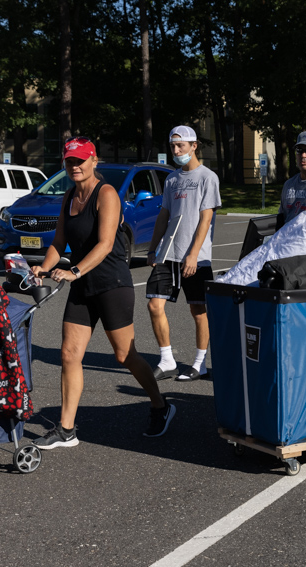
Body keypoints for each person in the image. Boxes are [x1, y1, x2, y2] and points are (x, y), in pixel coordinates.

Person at [30, 137, 176, 448]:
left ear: (94, 160)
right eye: (70, 161)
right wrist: (43, 267)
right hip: (83, 286)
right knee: (69, 354)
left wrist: (74, 271)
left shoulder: (106, 193)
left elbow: (106, 244)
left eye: (81, 160)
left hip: (112, 284)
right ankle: (66, 430)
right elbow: (58, 241)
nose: (75, 166)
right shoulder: (69, 195)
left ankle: (161, 406)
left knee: (125, 355)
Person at [146, 126, 221, 382]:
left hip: (195, 257)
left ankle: (199, 364)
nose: (176, 151)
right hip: (168, 253)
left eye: (181, 146)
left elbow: (206, 218)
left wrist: (193, 254)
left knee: (199, 311)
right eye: (173, 146)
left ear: (194, 146)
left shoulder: (207, 177)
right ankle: (167, 360)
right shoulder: (172, 179)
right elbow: (164, 215)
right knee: (154, 305)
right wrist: (153, 247)